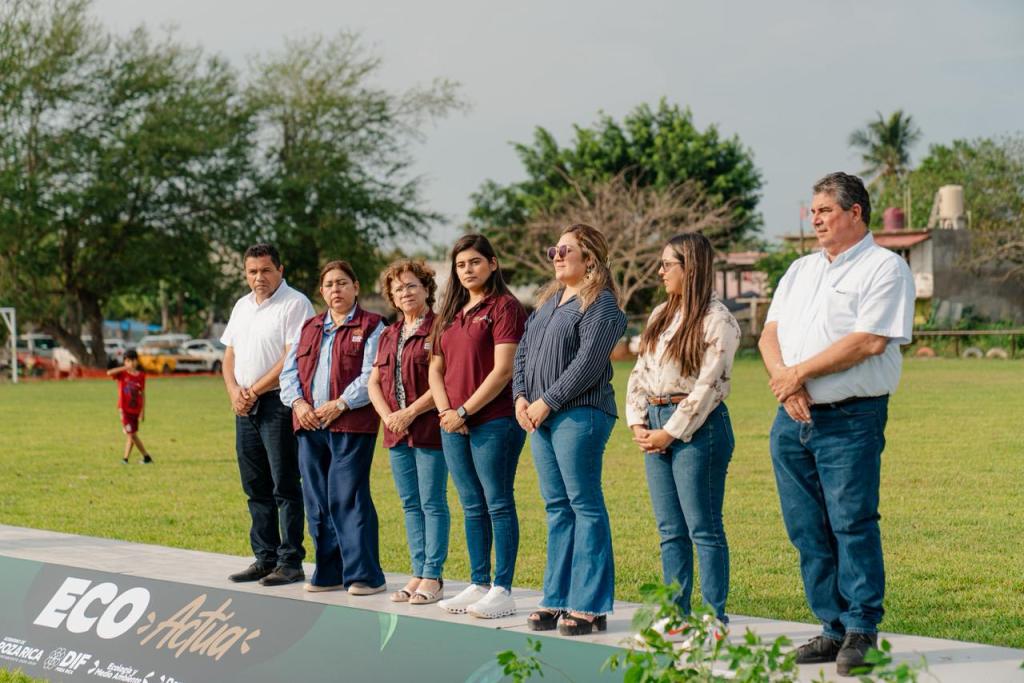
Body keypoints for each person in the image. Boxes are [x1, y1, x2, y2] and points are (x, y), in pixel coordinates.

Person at [758, 172, 914, 676]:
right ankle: (831, 627)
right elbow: (769, 335)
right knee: (806, 528)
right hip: (793, 417)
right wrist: (788, 383)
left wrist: (797, 375)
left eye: (825, 209)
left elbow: (869, 340)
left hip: (851, 417)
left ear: (856, 213)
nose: (815, 218)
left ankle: (861, 628)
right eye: (813, 210)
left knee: (851, 522)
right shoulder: (800, 270)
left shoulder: (884, 268)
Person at [512, 224, 626, 636]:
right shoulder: (548, 302)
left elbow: (588, 364)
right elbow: (522, 354)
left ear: (590, 258)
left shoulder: (602, 305)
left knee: (584, 504)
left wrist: (547, 401)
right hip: (539, 415)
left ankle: (590, 605)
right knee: (556, 507)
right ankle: (557, 597)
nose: (557, 256)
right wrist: (522, 397)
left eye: (566, 250)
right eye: (553, 250)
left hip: (580, 414)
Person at [625, 233, 741, 627]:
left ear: (690, 268)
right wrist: (639, 421)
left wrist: (670, 432)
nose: (660, 272)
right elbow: (640, 372)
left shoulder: (718, 321)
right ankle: (675, 614)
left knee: (703, 527)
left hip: (698, 430)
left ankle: (713, 620)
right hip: (656, 424)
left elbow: (710, 386)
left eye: (667, 265)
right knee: (670, 529)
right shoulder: (660, 314)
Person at [428, 234, 527, 619]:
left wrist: (465, 412)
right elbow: (436, 369)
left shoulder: (505, 307)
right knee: (471, 504)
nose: (467, 270)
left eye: (474, 262)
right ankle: (479, 582)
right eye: (460, 265)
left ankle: (503, 588)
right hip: (451, 422)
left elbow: (503, 370)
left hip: (494, 420)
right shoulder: (450, 312)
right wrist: (446, 413)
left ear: (493, 263)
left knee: (498, 502)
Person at [280, 260, 388, 595]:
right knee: (317, 500)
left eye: (342, 283)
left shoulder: (373, 325)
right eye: (328, 285)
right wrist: (299, 404)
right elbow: (289, 374)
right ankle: (328, 572)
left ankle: (365, 575)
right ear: (321, 291)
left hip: (350, 425)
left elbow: (373, 373)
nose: (335, 290)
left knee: (349, 497)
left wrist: (340, 403)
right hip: (309, 426)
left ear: (356, 287)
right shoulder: (310, 327)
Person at [221, 244, 314, 587]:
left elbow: (291, 359)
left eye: (265, 270)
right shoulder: (242, 306)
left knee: (284, 484)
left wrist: (254, 390)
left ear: (280, 269)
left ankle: (290, 561)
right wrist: (234, 391)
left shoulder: (295, 304)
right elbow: (229, 355)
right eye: (252, 271)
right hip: (244, 405)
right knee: (255, 485)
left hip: (277, 403)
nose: (259, 278)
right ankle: (265, 557)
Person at [368, 259, 449, 605]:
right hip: (395, 433)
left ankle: (433, 575)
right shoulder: (387, 334)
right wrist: (389, 417)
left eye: (412, 285)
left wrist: (410, 412)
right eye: (398, 288)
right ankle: (416, 572)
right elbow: (374, 382)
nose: (405, 292)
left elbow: (443, 380)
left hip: (428, 428)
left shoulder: (439, 329)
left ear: (427, 289)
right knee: (409, 503)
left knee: (432, 502)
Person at [107, 349, 153, 465]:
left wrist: (143, 411)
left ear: (137, 361)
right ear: (124, 362)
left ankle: (126, 459)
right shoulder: (122, 374)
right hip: (124, 410)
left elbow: (143, 394)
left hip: (135, 410)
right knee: (131, 434)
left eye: (133, 360)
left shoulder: (141, 376)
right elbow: (109, 373)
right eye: (128, 361)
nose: (131, 363)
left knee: (131, 435)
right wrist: (124, 368)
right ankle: (146, 457)